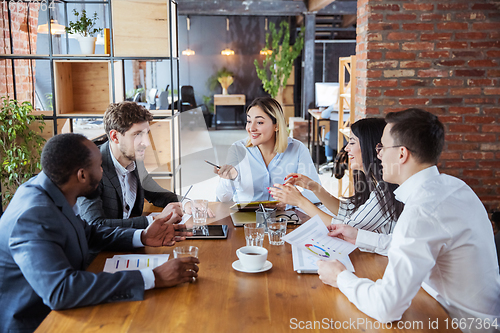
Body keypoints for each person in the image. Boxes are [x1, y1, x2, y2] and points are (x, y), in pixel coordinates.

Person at [317, 109, 500, 332]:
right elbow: (408, 243)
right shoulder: (454, 187)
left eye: (382, 147)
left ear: (402, 154)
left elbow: (386, 307)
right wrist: (359, 236)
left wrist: (340, 277)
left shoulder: (422, 211)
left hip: (459, 324)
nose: (379, 155)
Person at [0, 134, 199, 332]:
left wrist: (142, 236)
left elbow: (88, 232)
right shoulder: (33, 216)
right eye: (100, 166)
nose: (103, 172)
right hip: (40, 323)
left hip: (69, 310)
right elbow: (61, 291)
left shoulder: (53, 188)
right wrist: (153, 277)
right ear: (82, 175)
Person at [270, 118, 403, 237]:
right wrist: (314, 187)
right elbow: (348, 211)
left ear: (369, 146)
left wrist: (300, 201)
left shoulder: (387, 190)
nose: (346, 149)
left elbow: (348, 229)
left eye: (352, 143)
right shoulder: (373, 183)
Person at [78, 101, 183, 229]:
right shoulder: (91, 169)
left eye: (147, 133)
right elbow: (95, 225)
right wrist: (155, 220)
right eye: (138, 134)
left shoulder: (134, 159)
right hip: (102, 247)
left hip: (129, 240)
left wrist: (186, 204)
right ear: (115, 136)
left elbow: (156, 193)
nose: (146, 143)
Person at [214, 97, 320, 204]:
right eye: (249, 121)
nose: (251, 128)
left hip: (285, 218)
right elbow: (223, 198)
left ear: (277, 126)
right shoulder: (238, 149)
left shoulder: (297, 149)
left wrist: (291, 201)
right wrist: (229, 179)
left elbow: (316, 194)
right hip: (246, 219)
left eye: (259, 122)